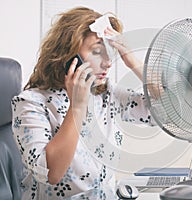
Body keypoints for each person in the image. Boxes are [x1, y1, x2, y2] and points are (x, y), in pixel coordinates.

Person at [11, 6, 153, 199]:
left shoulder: (106, 95)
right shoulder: (30, 103)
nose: (108, 62)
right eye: (96, 51)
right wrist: (77, 107)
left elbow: (167, 110)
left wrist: (132, 61)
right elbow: (51, 173)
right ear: (69, 57)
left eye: (109, 52)